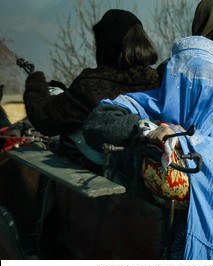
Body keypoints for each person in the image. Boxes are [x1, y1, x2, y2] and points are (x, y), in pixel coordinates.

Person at [83, 35, 213, 260]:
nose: (196, 84)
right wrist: (148, 129)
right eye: (185, 74)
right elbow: (97, 123)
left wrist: (183, 140)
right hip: (149, 222)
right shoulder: (150, 103)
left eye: (207, 76)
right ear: (171, 74)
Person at [23, 9, 160, 169]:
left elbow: (45, 118)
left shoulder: (91, 84)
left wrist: (35, 82)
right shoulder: (156, 81)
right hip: (149, 171)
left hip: (101, 174)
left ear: (107, 44)